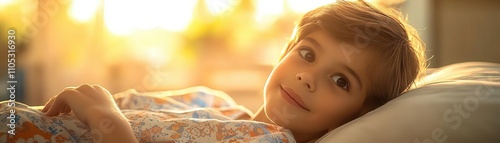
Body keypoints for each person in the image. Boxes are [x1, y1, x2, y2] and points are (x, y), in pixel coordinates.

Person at [0, 1, 425, 142]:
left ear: (362, 114)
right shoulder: (212, 103)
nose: (306, 77)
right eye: (308, 54)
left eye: (341, 81)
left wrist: (105, 116)